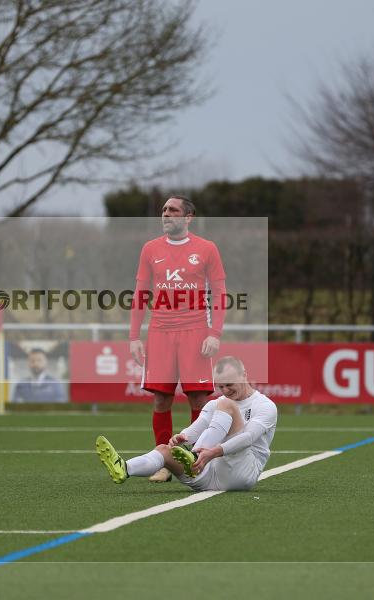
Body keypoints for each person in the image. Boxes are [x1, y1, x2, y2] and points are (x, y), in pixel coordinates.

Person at [129, 195, 227, 482]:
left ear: (188, 217)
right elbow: (141, 294)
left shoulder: (207, 249)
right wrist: (134, 336)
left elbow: (220, 294)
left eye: (173, 210)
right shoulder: (150, 249)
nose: (166, 214)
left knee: (199, 397)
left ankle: (197, 459)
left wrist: (215, 333)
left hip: (196, 331)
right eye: (163, 210)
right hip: (160, 332)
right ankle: (164, 462)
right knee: (161, 399)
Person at [96, 356, 277, 492]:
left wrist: (213, 452)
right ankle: (124, 468)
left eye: (229, 384)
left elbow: (248, 438)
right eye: (220, 386)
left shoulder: (264, 405)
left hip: (241, 474)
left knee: (226, 405)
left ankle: (194, 455)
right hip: (206, 471)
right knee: (163, 450)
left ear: (244, 374)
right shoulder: (216, 403)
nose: (225, 390)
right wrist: (183, 437)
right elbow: (199, 426)